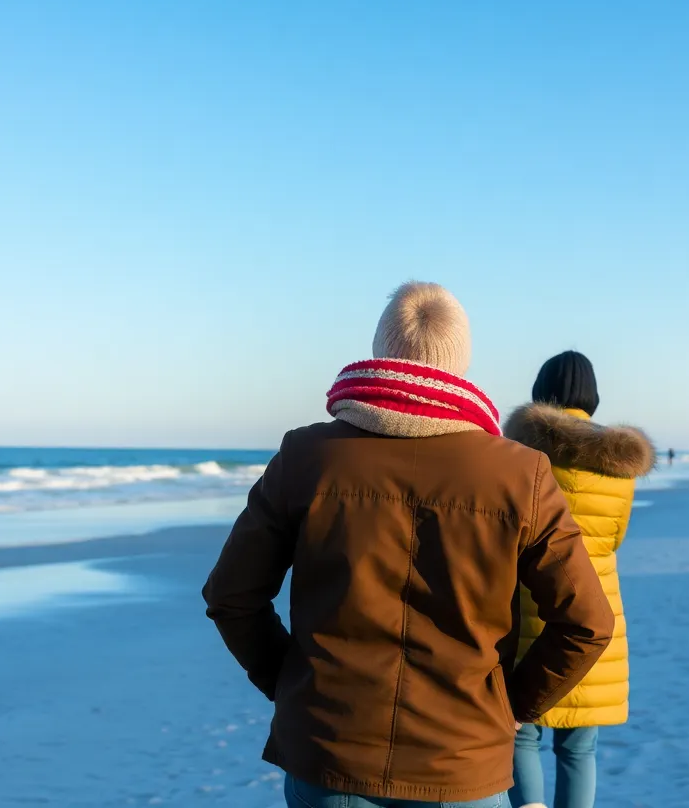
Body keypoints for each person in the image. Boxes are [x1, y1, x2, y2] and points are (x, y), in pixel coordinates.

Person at [202, 282, 616, 808]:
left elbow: (231, 597)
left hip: (330, 755)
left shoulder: (307, 456)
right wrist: (510, 707)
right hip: (462, 764)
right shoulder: (520, 473)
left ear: (380, 350)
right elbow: (587, 623)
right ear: (460, 362)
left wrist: (293, 685)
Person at [504, 351, 655, 808]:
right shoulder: (618, 464)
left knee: (520, 732)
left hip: (529, 602)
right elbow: (613, 539)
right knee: (578, 746)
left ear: (539, 391)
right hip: (594, 603)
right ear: (593, 396)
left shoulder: (522, 451)